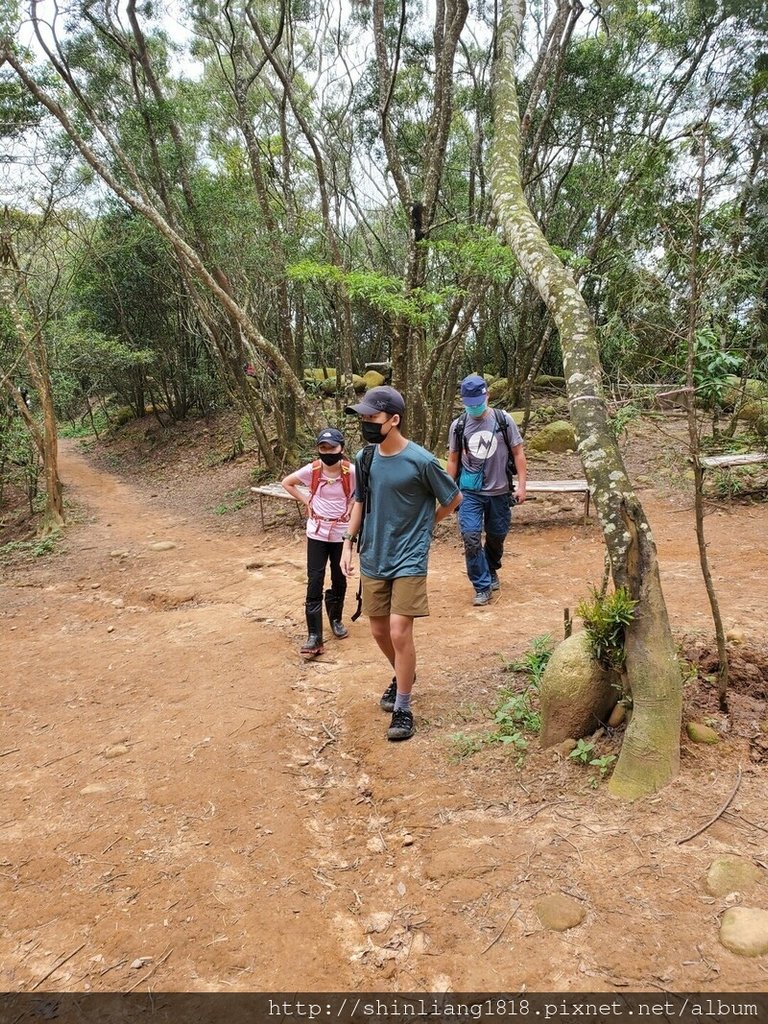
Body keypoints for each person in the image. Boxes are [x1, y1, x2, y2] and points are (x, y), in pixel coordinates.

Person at [341, 386, 461, 742]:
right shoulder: (365, 459)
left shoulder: (421, 461)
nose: (365, 423)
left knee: (398, 630)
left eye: (372, 418)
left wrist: (426, 527)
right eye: (362, 417)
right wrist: (348, 543)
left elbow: (453, 497)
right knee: (378, 631)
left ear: (394, 420)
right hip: (374, 553)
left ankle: (404, 707)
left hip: (409, 556)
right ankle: (403, 674)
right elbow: (360, 501)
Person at [447, 373, 527, 606]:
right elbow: (452, 460)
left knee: (497, 536)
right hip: (469, 492)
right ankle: (482, 586)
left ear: (487, 396)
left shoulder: (504, 420)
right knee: (471, 537)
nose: (474, 408)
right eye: (469, 404)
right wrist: (449, 491)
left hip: (500, 492)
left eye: (477, 403)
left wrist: (521, 486)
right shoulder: (459, 425)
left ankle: (491, 569)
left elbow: (518, 453)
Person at [281, 428, 355, 657]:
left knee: (339, 577)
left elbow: (362, 493)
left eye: (332, 448)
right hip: (317, 533)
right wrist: (307, 501)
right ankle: (314, 635)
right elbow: (287, 482)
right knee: (314, 580)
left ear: (341, 448)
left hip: (341, 533)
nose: (328, 452)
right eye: (323, 448)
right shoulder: (312, 470)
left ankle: (336, 619)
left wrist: (352, 507)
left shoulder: (351, 471)